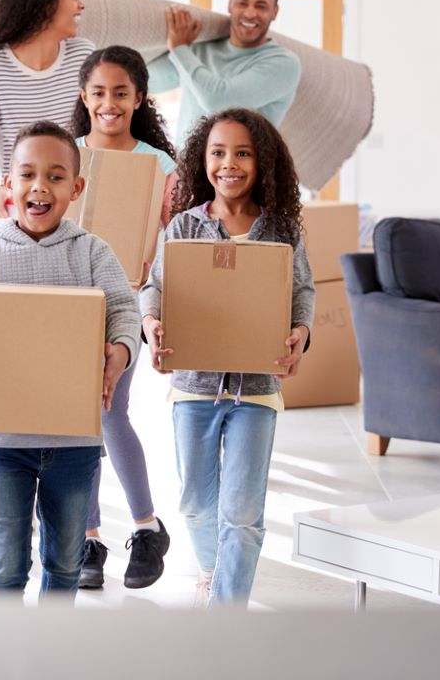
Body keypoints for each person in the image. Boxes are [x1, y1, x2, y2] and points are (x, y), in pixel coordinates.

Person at [0, 121, 140, 600]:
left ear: (76, 187)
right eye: (26, 174)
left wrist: (121, 352)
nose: (39, 186)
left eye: (55, 176)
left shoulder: (92, 252)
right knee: (4, 566)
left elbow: (124, 311)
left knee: (65, 566)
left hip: (74, 444)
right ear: (8, 183)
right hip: (3, 441)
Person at [138, 108, 315, 608]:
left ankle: (226, 612)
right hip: (193, 387)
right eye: (218, 153)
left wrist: (300, 331)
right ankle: (213, 570)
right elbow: (156, 289)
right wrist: (152, 325)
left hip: (256, 389)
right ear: (203, 160)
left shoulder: (280, 230)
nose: (229, 164)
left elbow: (301, 291)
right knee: (197, 504)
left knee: (241, 512)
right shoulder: (184, 228)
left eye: (243, 153)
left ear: (263, 163)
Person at [68, 45, 177, 590]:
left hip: (127, 304)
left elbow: (176, 243)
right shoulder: (65, 155)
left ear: (139, 98)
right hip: (65, 305)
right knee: (79, 419)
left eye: (120, 93)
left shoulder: (159, 166)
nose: (108, 103)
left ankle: (145, 527)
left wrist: (158, 312)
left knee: (109, 410)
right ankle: (88, 539)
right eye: (98, 92)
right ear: (83, 97)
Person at [0, 0, 94, 225]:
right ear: (45, 4)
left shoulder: (84, 54)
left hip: (68, 207)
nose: (81, 5)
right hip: (14, 207)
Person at [147, 0, 302, 145]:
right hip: (186, 169)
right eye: (242, 3)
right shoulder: (200, 48)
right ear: (230, 5)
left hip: (239, 170)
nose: (250, 13)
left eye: (261, 6)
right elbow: (148, 81)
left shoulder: (284, 64)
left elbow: (219, 103)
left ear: (274, 12)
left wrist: (179, 48)